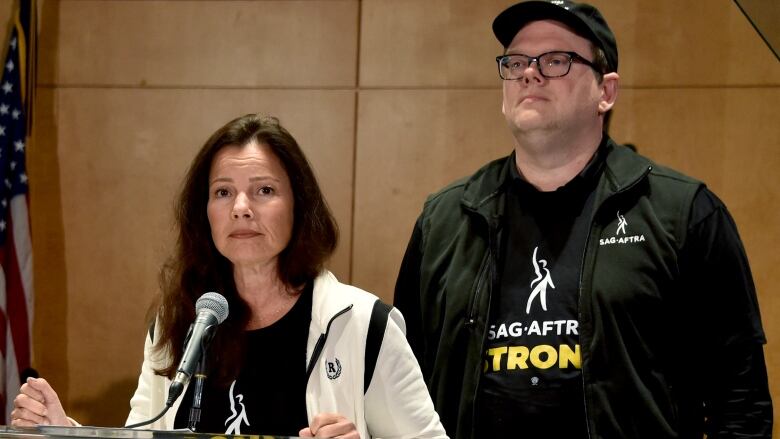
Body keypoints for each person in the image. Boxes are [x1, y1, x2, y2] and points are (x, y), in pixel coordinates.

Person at [394, 1, 773, 438]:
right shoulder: (444, 219)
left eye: (556, 60)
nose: (529, 73)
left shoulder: (684, 213)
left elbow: (741, 403)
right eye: (516, 61)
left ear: (606, 92)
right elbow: (402, 386)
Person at [12, 114, 448, 439]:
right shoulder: (179, 322)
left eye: (264, 190)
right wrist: (62, 431)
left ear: (298, 207)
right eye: (223, 192)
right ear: (204, 214)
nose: (241, 206)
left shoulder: (363, 324)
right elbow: (141, 433)